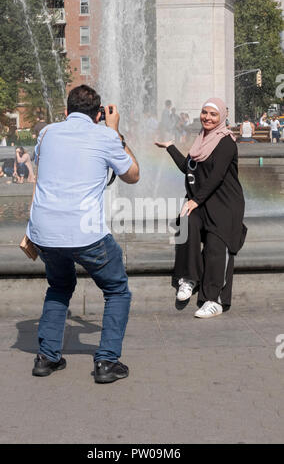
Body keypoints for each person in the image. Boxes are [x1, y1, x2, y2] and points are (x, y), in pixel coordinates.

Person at [26, 84, 139, 382]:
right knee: (116, 290)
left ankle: (46, 358)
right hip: (86, 234)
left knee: (59, 287)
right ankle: (106, 362)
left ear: (65, 111)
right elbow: (133, 175)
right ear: (99, 113)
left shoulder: (47, 132)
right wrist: (115, 131)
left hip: (44, 232)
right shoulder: (105, 135)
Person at [155, 98, 247, 319]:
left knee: (217, 245)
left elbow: (216, 177)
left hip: (225, 205)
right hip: (204, 202)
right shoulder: (201, 141)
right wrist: (170, 147)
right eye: (205, 113)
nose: (207, 117)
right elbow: (189, 167)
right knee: (187, 223)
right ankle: (189, 278)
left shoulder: (226, 142)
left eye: (213, 114)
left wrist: (194, 201)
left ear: (222, 117)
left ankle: (214, 299)